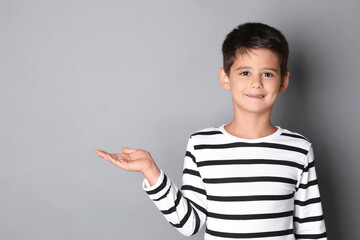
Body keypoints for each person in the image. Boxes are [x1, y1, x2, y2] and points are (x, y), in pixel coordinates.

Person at [95, 22, 327, 240]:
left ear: (283, 81)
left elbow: (312, 231)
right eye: (245, 73)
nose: (256, 83)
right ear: (225, 78)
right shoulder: (201, 145)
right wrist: (150, 171)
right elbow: (190, 224)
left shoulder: (299, 149)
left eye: (267, 73)